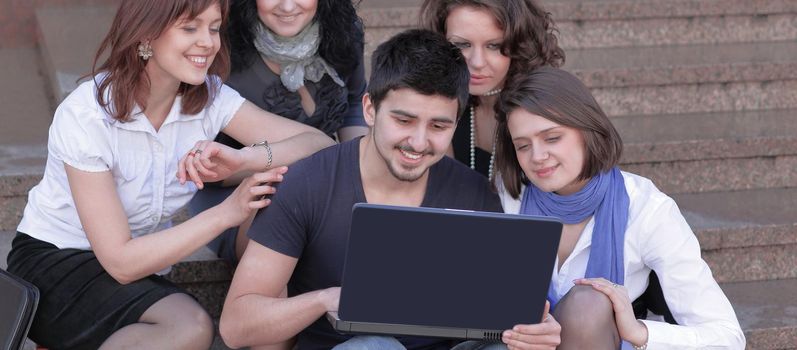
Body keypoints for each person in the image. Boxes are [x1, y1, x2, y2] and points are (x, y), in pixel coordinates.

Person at [4, 0, 334, 349]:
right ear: (146, 33)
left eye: (213, 27)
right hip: (56, 261)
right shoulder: (87, 116)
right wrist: (226, 213)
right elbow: (120, 262)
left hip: (140, 263)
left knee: (191, 325)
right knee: (190, 328)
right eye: (190, 28)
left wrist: (244, 158)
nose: (207, 42)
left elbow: (320, 144)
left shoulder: (210, 98)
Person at [219, 29, 561, 350]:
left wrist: (534, 331)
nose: (418, 142)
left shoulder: (473, 193)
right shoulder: (309, 183)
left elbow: (501, 317)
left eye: (439, 125)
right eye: (404, 120)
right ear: (370, 108)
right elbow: (236, 326)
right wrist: (323, 300)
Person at [493, 66, 746, 349]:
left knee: (588, 304)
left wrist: (640, 332)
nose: (537, 156)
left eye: (552, 138)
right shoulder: (508, 198)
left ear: (587, 130)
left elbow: (727, 336)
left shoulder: (647, 209)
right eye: (523, 145)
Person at [190, 0, 368, 264]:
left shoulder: (344, 31)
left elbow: (354, 102)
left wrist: (361, 171)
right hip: (236, 190)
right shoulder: (219, 44)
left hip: (325, 174)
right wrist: (305, 165)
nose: (287, 6)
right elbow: (207, 167)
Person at [420, 0, 564, 179]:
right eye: (461, 45)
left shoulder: (545, 106)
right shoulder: (434, 100)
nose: (477, 62)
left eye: (494, 46)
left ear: (521, 45)